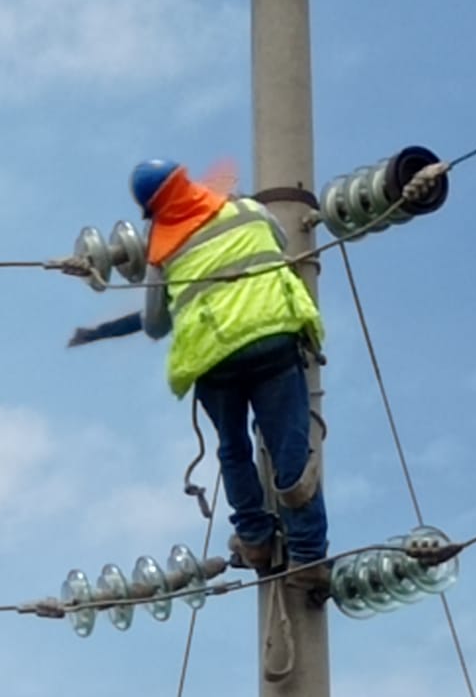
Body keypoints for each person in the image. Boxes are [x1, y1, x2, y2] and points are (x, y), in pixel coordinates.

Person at [69, 159, 330, 597]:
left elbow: (154, 324)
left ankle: (256, 540)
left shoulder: (163, 250)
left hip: (215, 361)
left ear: (153, 211)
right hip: (273, 340)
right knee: (290, 449)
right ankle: (307, 556)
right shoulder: (247, 210)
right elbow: (280, 243)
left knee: (233, 449)